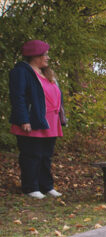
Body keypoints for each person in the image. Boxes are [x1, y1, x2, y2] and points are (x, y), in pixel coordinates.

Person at [9, 40, 64, 199]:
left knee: (46, 155)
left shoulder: (46, 73)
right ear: (35, 55)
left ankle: (46, 186)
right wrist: (23, 119)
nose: (47, 57)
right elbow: (17, 97)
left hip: (50, 121)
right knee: (32, 154)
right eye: (45, 54)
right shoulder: (22, 72)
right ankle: (30, 187)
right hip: (31, 120)